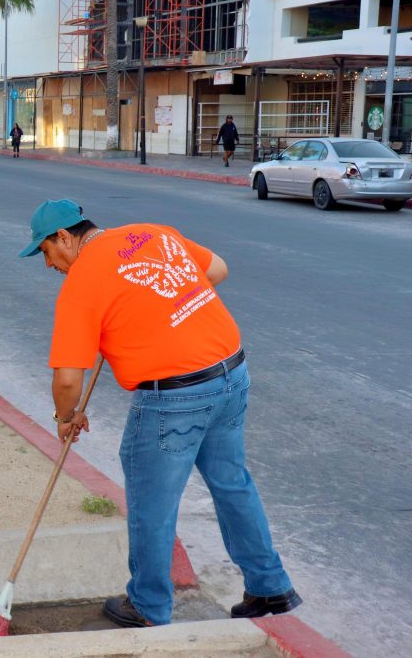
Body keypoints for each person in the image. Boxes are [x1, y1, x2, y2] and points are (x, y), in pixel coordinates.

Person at [19, 199, 300, 629]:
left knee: (153, 504)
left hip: (174, 398)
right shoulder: (153, 232)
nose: (49, 264)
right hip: (231, 376)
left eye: (45, 252)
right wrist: (162, 306)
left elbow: (67, 380)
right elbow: (218, 269)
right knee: (232, 482)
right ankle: (269, 585)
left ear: (64, 237)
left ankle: (148, 605)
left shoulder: (83, 281)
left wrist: (66, 416)